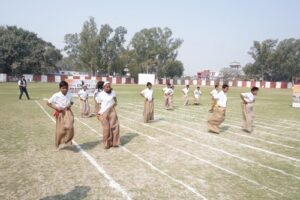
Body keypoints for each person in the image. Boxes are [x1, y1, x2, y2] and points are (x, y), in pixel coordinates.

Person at [47, 81, 74, 149]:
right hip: (60, 113)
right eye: (63, 88)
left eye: (66, 88)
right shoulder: (56, 95)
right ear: (60, 88)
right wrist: (56, 107)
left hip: (68, 112)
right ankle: (57, 144)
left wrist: (69, 105)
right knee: (60, 130)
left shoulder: (70, 94)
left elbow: (72, 102)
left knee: (70, 127)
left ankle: (68, 140)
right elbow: (48, 102)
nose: (65, 89)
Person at [96, 81, 120, 149]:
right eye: (107, 87)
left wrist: (113, 105)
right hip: (103, 113)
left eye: (109, 87)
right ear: (103, 87)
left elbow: (115, 101)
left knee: (115, 127)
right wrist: (98, 113)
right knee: (106, 128)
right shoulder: (100, 94)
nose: (108, 88)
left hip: (112, 111)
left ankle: (115, 143)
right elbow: (98, 104)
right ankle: (106, 143)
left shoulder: (113, 92)